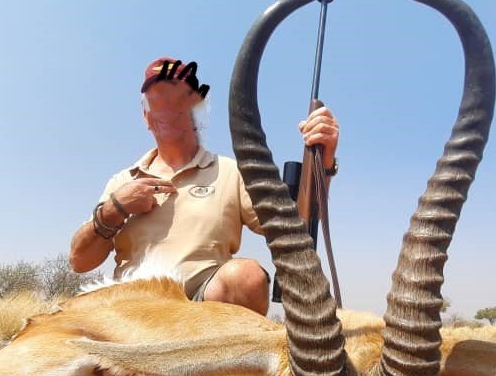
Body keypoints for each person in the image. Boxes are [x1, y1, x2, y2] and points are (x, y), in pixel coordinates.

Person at [69, 57, 340, 315]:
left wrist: (323, 163)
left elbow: (295, 228)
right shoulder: (123, 181)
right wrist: (115, 208)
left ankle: (224, 361)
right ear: (145, 115)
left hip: (202, 314)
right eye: (157, 99)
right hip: (132, 309)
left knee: (246, 277)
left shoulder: (231, 172)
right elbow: (80, 262)